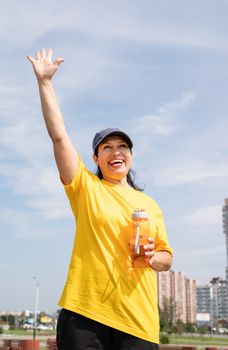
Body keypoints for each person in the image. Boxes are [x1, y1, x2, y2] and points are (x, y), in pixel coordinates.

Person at [27, 48, 173, 350]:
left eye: (123, 146)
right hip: (85, 315)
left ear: (131, 157)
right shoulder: (86, 187)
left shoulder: (151, 206)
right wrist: (45, 83)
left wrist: (152, 258)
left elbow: (166, 258)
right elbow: (59, 137)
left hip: (138, 321)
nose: (116, 151)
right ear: (96, 157)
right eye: (106, 147)